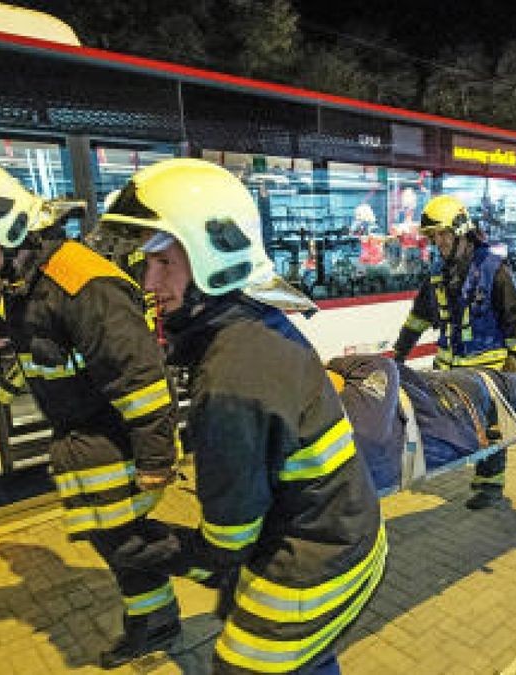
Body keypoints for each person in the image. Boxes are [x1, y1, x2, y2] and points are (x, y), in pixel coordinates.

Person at [101, 159, 386, 675]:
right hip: (337, 536)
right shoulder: (253, 321)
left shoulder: (229, 376)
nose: (150, 282)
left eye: (164, 263)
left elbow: (230, 536)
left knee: (241, 665)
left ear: (213, 255)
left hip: (319, 557)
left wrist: (174, 549)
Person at [0, 160, 186, 668]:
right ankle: (153, 620)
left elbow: (142, 379)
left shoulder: (83, 283)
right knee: (114, 543)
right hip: (81, 440)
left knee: (125, 543)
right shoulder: (31, 277)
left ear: (7, 226)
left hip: (109, 439)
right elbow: (25, 314)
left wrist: (155, 459)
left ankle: (219, 571)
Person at [392, 194, 516, 509]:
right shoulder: (438, 273)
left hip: (487, 368)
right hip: (449, 367)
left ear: (461, 231)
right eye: (433, 236)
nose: (438, 242)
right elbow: (417, 318)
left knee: (491, 430)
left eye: (443, 234)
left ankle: (489, 487)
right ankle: (461, 459)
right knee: (452, 422)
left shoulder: (492, 269)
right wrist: (398, 356)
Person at [328, 341, 516, 492]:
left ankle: (511, 379)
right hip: (447, 413)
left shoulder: (323, 459)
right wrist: (330, 365)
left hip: (426, 412)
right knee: (489, 384)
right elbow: (379, 366)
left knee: (478, 383)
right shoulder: (356, 426)